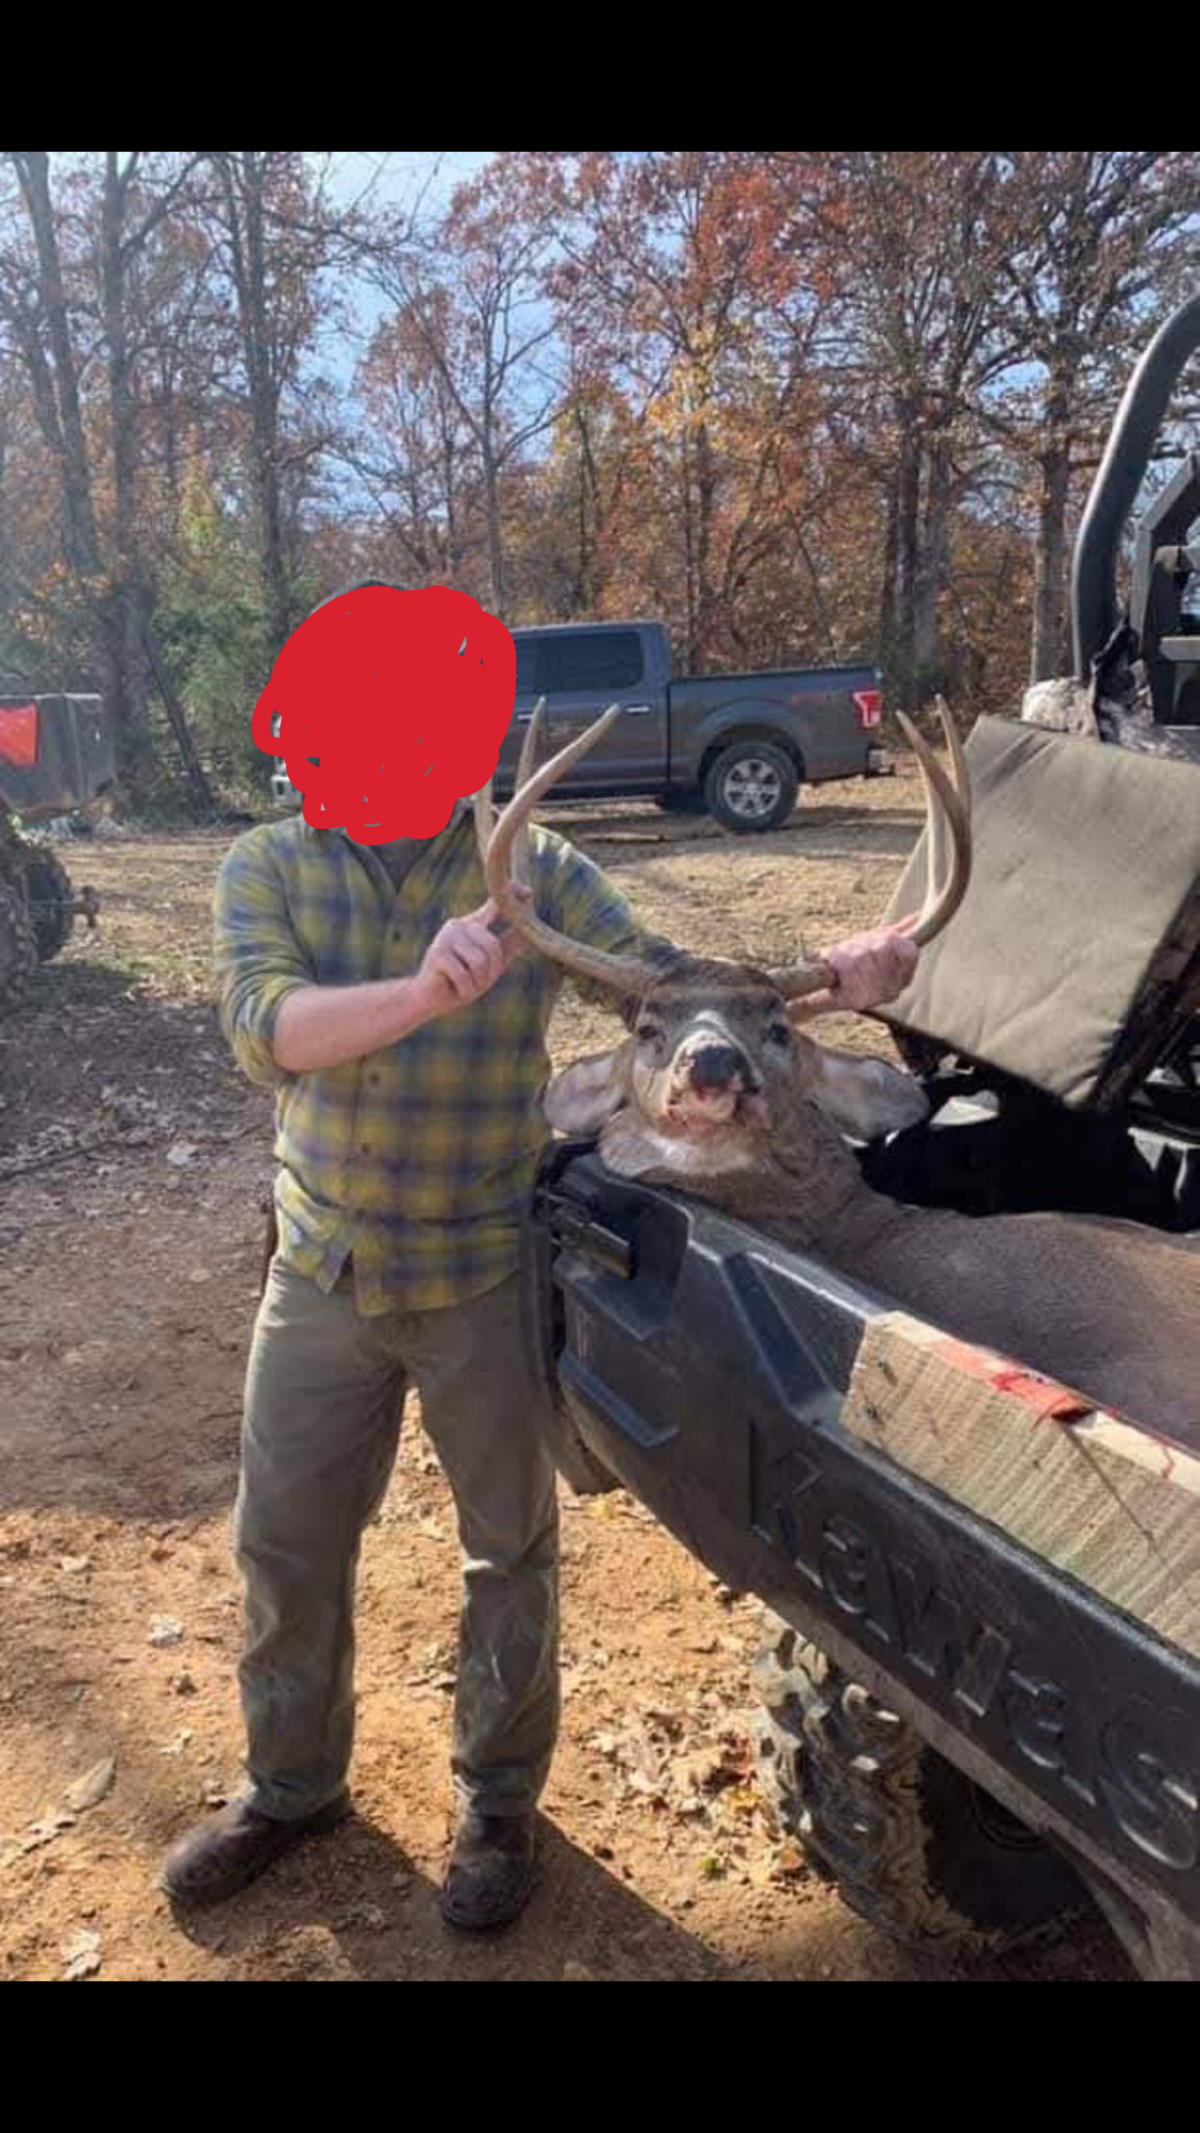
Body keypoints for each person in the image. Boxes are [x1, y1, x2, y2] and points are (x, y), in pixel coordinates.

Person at [161, 781, 917, 1927]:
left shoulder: (536, 871)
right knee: (284, 1543)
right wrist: (425, 990)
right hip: (323, 1267)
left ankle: (499, 1806)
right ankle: (289, 1787)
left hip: (481, 1264)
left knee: (507, 1551)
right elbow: (266, 1029)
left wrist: (827, 978)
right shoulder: (267, 863)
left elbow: (666, 982)